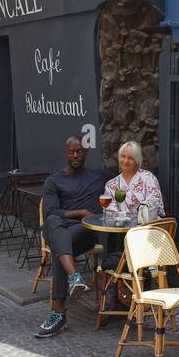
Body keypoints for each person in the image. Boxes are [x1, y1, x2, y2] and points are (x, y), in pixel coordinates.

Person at [35, 136, 110, 339]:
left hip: (86, 232)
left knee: (60, 249)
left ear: (85, 152)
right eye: (71, 152)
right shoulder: (54, 181)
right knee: (54, 225)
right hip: (62, 229)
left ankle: (59, 313)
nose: (75, 155)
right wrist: (80, 211)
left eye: (79, 151)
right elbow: (51, 212)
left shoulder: (99, 177)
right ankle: (74, 277)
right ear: (65, 154)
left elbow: (125, 181)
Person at [102, 141, 165, 222]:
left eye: (130, 158)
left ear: (137, 161)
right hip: (121, 229)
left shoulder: (148, 178)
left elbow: (153, 206)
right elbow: (110, 212)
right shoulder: (111, 185)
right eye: (123, 156)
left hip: (146, 228)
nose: (125, 161)